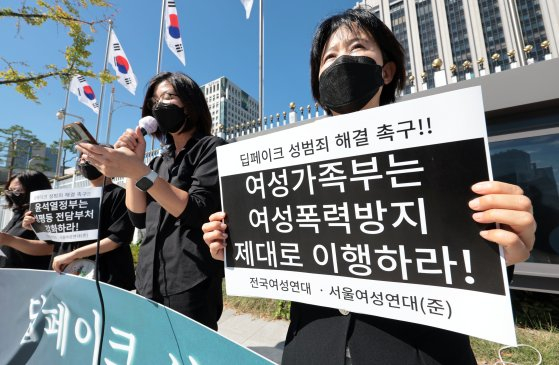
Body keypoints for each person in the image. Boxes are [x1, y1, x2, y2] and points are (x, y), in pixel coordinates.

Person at [201, 7, 536, 365]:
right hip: (311, 348)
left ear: (387, 70)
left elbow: (471, 252)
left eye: (358, 47)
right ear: (318, 84)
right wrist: (232, 248)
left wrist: (506, 250)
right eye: (329, 56)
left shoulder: (439, 148)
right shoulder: (287, 174)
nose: (342, 60)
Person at [76, 72, 226, 330]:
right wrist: (136, 164)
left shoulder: (210, 148)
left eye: (168, 96)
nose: (160, 105)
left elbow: (197, 210)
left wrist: (139, 171)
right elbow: (138, 216)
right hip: (148, 278)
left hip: (192, 280)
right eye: (154, 102)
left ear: (190, 103)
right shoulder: (158, 162)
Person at [1, 153, 136, 291]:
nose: (84, 162)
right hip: (65, 274)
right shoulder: (71, 197)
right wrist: (35, 227)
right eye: (81, 159)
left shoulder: (119, 194)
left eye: (90, 158)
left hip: (106, 276)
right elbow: (56, 238)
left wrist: (73, 255)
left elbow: (118, 237)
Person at [0, 171, 52, 270]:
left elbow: (49, 248)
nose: (13, 194)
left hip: (29, 278)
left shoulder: (45, 213)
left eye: (18, 191)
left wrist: (8, 239)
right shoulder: (19, 212)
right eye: (10, 190)